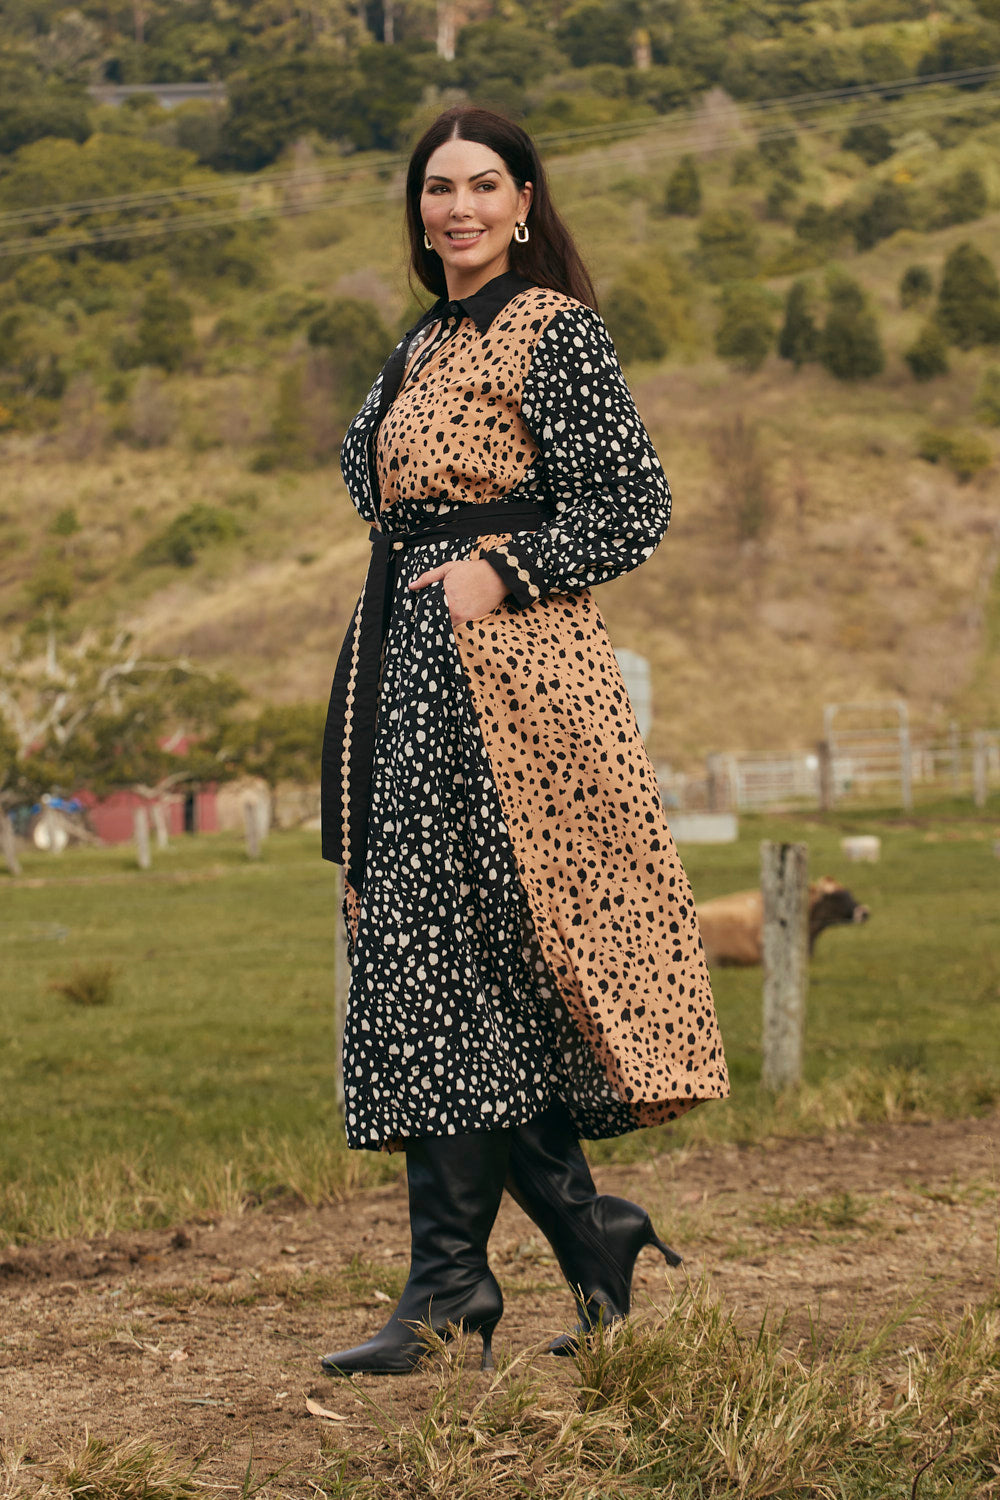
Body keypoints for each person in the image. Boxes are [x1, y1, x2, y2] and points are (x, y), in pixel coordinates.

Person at [319, 105, 728, 1378]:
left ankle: (452, 1287)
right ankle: (579, 1234)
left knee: (464, 966)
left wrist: (501, 566)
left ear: (525, 202)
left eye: (483, 185)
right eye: (438, 187)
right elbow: (378, 494)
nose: (458, 208)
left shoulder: (554, 331)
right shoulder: (423, 341)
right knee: (451, 967)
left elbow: (634, 504)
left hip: (518, 694)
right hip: (412, 677)